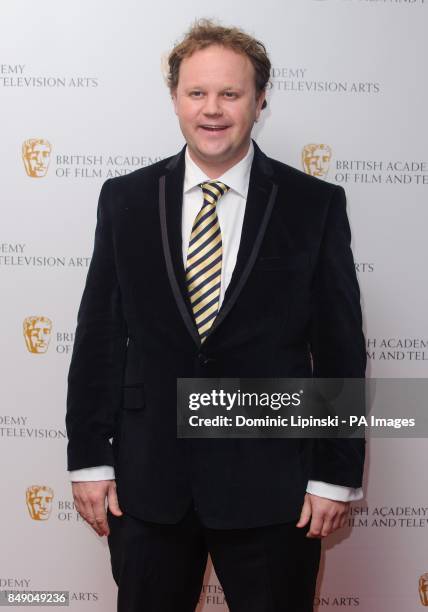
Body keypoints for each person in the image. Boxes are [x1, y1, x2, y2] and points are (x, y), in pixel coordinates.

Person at [66, 19, 366, 612]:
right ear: (175, 98)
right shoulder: (124, 199)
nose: (212, 109)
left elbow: (339, 350)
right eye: (197, 92)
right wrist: (89, 459)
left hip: (275, 490)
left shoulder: (314, 206)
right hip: (147, 485)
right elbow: (99, 336)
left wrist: (334, 474)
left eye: (230, 93)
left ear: (259, 101)